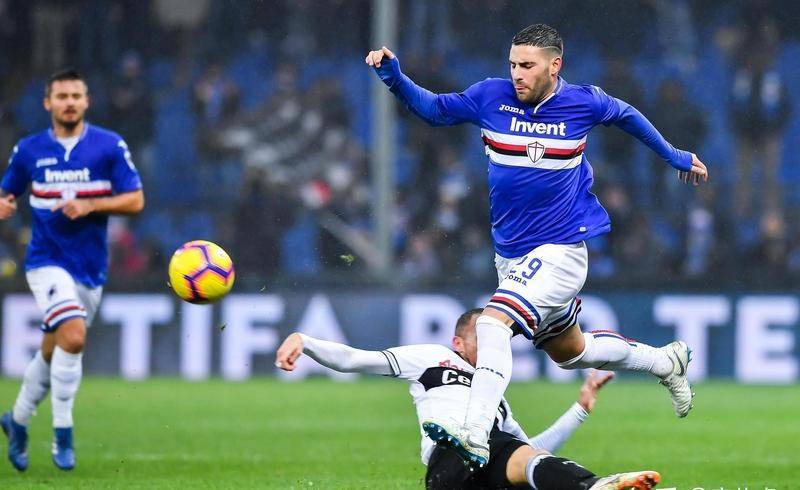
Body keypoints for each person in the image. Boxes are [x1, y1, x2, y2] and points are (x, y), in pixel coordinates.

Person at [366, 23, 708, 466]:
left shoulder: (583, 102)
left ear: (554, 65)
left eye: (527, 65)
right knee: (572, 353)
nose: (517, 74)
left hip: (561, 251)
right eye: (513, 64)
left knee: (492, 324)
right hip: (511, 256)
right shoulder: (490, 96)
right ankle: (664, 361)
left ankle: (474, 432)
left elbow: (627, 116)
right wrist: (394, 76)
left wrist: (675, 156)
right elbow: (434, 110)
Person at [276, 309, 661, 490]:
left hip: (491, 461)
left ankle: (593, 486)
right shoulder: (431, 358)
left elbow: (531, 452)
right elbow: (355, 359)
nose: (494, 345)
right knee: (490, 446)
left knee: (523, 457)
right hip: (448, 463)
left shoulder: (495, 396)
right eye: (483, 337)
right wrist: (305, 341)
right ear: (458, 342)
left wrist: (580, 409)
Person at [0, 69, 145, 471]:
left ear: (86, 102)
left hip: (90, 269)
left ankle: (17, 419)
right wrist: (4, 203)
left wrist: (92, 204)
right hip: (45, 261)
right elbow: (7, 191)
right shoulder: (29, 150)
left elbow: (135, 200)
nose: (69, 103)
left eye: (75, 96)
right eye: (61, 96)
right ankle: (63, 434)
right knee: (75, 336)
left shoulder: (108, 146)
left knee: (54, 350)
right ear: (48, 102)